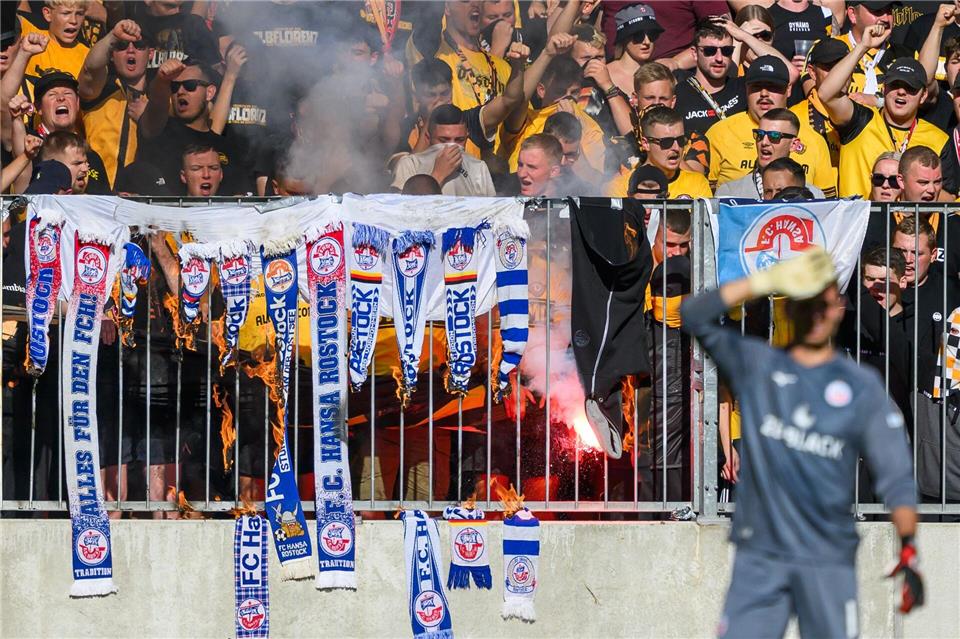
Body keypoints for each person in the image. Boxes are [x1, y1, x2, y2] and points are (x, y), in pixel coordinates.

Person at [682, 247, 923, 638]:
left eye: (824, 305)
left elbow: (896, 474)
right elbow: (693, 314)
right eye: (806, 305)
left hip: (828, 557)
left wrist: (909, 546)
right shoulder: (758, 365)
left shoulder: (860, 386)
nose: (816, 315)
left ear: (839, 308)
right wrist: (765, 281)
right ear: (791, 309)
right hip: (761, 554)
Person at [819, 24, 949, 199]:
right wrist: (862, 48)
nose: (901, 92)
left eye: (910, 88)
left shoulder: (939, 139)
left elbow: (949, 195)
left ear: (923, 95)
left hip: (911, 225)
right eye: (895, 85)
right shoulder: (859, 120)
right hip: (860, 224)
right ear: (884, 88)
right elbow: (826, 94)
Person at [892, 216, 960, 504]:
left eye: (915, 253)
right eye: (901, 251)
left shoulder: (950, 291)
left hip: (931, 409)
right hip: (888, 400)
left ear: (933, 255)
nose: (907, 260)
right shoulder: (876, 291)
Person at [706, 55, 833, 194]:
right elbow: (705, 197)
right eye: (756, 87)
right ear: (746, 89)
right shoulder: (719, 133)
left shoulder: (815, 139)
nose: (764, 93)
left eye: (773, 87)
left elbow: (824, 205)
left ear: (789, 89)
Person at [138, 57, 247, 195]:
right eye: (174, 86)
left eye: (190, 85)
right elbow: (157, 103)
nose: (181, 92)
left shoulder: (225, 145)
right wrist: (161, 81)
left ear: (209, 93)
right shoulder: (160, 131)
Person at [78, 18, 150, 186]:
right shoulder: (102, 88)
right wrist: (113, 37)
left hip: (142, 196)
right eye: (122, 46)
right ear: (111, 55)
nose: (131, 51)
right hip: (99, 191)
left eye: (139, 46)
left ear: (150, 53)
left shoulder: (160, 94)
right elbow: (91, 69)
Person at [716, 109, 826, 199]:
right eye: (759, 134)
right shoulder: (729, 193)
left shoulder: (815, 197)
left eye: (774, 136)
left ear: (793, 144)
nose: (764, 142)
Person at [390, 104, 495, 196]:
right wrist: (438, 175)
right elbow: (402, 210)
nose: (451, 146)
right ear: (428, 136)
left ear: (467, 136)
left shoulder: (478, 167)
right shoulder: (410, 164)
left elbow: (490, 212)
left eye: (459, 140)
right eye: (443, 140)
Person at [608, 105, 711, 199]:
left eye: (680, 140)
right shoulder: (620, 188)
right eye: (666, 142)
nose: (676, 147)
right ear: (646, 143)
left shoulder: (697, 184)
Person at [836, 0, 913, 98]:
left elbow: (923, 99)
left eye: (889, 11)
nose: (886, 18)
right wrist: (863, 47)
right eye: (878, 11)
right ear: (853, 15)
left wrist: (879, 101)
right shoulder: (828, 49)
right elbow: (824, 95)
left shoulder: (907, 56)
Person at [17, 0, 91, 87]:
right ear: (48, 14)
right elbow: (5, 13)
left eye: (79, 14)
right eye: (66, 13)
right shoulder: (29, 33)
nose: (74, 21)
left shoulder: (88, 56)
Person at [606, 4, 664, 99]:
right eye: (638, 36)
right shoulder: (605, 74)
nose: (647, 42)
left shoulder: (661, 74)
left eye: (652, 35)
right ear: (624, 37)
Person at [542, 111, 595, 195]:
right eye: (557, 154)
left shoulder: (585, 193)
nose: (563, 162)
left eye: (570, 154)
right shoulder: (521, 183)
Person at [37, 129, 89, 193]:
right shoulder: (37, 201)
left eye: (86, 163)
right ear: (53, 168)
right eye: (77, 163)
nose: (85, 169)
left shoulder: (95, 202)